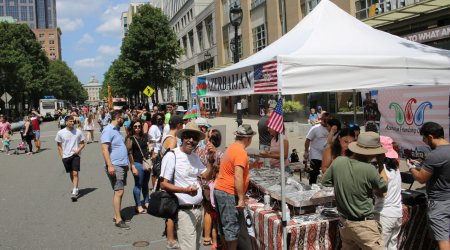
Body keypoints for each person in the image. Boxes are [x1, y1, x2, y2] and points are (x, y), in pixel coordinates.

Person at [322, 132, 388, 250]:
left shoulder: (338, 161)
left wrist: (343, 183)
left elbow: (325, 182)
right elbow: (383, 188)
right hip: (363, 225)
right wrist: (381, 164)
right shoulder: (369, 169)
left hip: (345, 222)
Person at [160, 122, 215, 250]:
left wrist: (211, 161)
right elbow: (163, 184)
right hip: (183, 212)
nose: (191, 140)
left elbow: (206, 176)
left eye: (195, 138)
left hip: (198, 210)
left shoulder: (194, 156)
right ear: (182, 138)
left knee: (195, 247)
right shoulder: (172, 155)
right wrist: (185, 190)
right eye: (188, 137)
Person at [214, 124, 261, 250]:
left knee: (226, 228)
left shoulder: (232, 147)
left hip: (222, 190)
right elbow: (238, 177)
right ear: (248, 138)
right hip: (228, 192)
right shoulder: (240, 151)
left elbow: (236, 169)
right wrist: (241, 198)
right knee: (231, 230)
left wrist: (252, 166)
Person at [408, 122, 450, 249]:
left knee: (443, 239)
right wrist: (423, 164)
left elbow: (421, 178)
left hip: (439, 202)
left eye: (424, 138)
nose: (424, 142)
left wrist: (412, 168)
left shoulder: (435, 155)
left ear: (431, 137)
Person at [101, 110, 130, 229]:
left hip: (122, 164)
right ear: (118, 117)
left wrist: (126, 163)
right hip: (115, 165)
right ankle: (118, 219)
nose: (124, 119)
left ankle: (116, 214)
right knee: (119, 191)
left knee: (119, 191)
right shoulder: (108, 130)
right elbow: (104, 149)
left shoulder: (117, 130)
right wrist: (110, 165)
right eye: (123, 117)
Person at [160, 114, 184, 249]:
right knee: (172, 208)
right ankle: (171, 239)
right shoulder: (173, 140)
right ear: (179, 125)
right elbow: (172, 159)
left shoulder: (166, 136)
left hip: (166, 175)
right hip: (171, 177)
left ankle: (171, 235)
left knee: (171, 207)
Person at [374, 136, 402, 250]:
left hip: (385, 214)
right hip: (397, 214)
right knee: (392, 246)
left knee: (381, 246)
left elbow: (381, 193)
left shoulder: (382, 170)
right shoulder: (395, 168)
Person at [55, 115, 85, 201]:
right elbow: (59, 146)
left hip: (75, 155)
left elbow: (83, 143)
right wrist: (62, 157)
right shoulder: (60, 133)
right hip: (66, 156)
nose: (72, 123)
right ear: (66, 122)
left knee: (75, 173)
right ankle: (75, 187)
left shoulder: (78, 132)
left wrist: (78, 150)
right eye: (70, 121)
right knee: (71, 173)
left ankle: (74, 190)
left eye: (73, 121)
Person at [125, 119, 150, 215]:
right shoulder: (130, 138)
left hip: (146, 162)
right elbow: (129, 153)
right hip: (136, 163)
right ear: (132, 127)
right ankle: (138, 205)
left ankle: (146, 202)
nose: (137, 128)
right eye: (135, 126)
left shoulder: (144, 136)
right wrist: (132, 166)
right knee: (138, 184)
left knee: (145, 184)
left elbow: (148, 148)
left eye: (139, 126)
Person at [303, 112, 330, 185]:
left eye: (328, 118)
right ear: (321, 119)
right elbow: (307, 140)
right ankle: (312, 187)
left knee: (326, 173)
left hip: (326, 155)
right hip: (315, 154)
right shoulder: (315, 128)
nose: (326, 120)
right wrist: (306, 152)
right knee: (314, 173)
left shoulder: (331, 129)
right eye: (324, 118)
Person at [149, 113, 164, 186]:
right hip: (155, 151)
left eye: (161, 119)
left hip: (160, 151)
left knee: (159, 170)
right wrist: (153, 153)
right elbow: (151, 141)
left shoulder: (160, 127)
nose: (160, 120)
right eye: (158, 119)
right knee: (154, 171)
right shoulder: (153, 127)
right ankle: (154, 187)